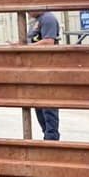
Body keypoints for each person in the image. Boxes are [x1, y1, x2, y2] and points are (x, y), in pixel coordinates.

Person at [26, 9, 61, 141]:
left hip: (47, 68)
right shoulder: (35, 20)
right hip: (36, 69)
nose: (28, 12)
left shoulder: (47, 18)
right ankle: (47, 135)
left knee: (48, 105)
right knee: (39, 106)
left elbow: (48, 42)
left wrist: (25, 48)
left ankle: (51, 137)